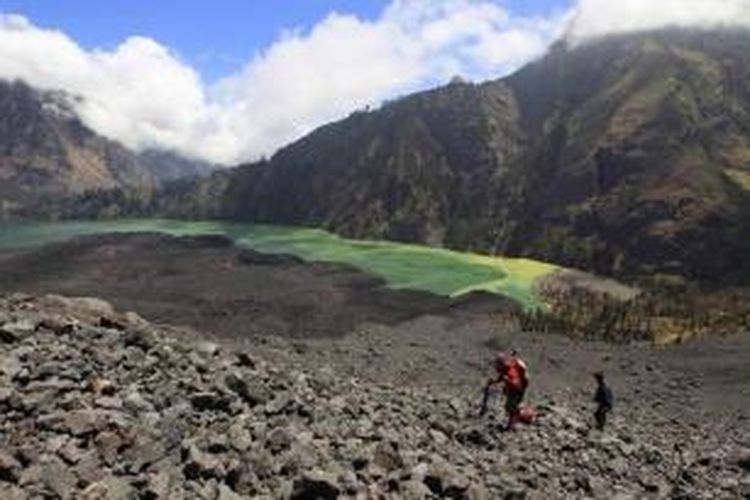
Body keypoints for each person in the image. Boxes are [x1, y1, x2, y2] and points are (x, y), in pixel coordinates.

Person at [481, 350, 529, 430]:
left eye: (497, 365)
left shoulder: (510, 371)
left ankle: (515, 423)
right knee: (509, 407)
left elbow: (516, 383)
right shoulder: (505, 370)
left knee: (511, 407)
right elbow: (501, 377)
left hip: (516, 391)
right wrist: (495, 382)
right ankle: (516, 420)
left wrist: (507, 381)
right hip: (512, 390)